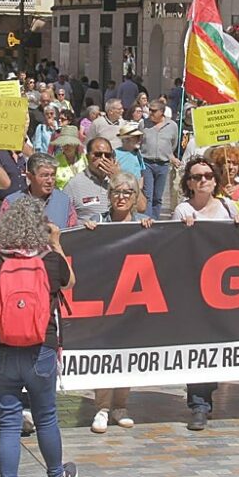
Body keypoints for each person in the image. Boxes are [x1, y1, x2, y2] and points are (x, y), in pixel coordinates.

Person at [0, 196, 77, 477]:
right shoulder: (50, 260)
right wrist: (56, 242)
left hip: (2, 350)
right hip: (41, 349)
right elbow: (71, 282)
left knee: (8, 421)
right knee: (46, 416)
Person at [173, 155, 239, 430]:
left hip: (226, 288)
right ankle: (198, 404)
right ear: (188, 182)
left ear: (215, 180)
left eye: (208, 176)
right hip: (194, 289)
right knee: (198, 344)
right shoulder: (182, 211)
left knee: (218, 345)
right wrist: (183, 233)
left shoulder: (228, 206)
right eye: (196, 177)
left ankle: (209, 394)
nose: (203, 180)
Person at [83, 171, 151, 432]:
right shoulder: (97, 220)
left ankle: (120, 405)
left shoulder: (145, 222)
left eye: (127, 193)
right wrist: (87, 233)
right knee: (104, 353)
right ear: (108, 196)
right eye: (116, 192)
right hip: (104, 298)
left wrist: (152, 233)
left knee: (127, 353)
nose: (121, 197)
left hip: (134, 299)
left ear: (135, 197)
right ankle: (101, 407)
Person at [65, 137, 147, 224]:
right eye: (98, 155)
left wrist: (118, 177)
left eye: (107, 155)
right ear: (87, 157)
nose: (103, 159)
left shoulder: (122, 180)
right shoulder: (74, 184)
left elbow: (142, 208)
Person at [3, 153, 77, 228]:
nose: (50, 180)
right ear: (30, 176)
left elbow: (72, 234)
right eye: (45, 175)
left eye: (53, 175)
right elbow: (4, 236)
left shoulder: (64, 202)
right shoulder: (11, 204)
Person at [141, 99, 179, 220]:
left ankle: (155, 220)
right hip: (147, 162)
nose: (150, 113)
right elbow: (139, 141)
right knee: (148, 194)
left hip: (163, 164)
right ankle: (147, 220)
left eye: (153, 111)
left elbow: (173, 144)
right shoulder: (143, 124)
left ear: (162, 112)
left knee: (158, 196)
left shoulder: (172, 126)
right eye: (149, 110)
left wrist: (169, 156)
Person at [209, 144, 239, 217]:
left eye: (235, 164)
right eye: (227, 162)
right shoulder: (212, 188)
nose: (231, 167)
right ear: (220, 165)